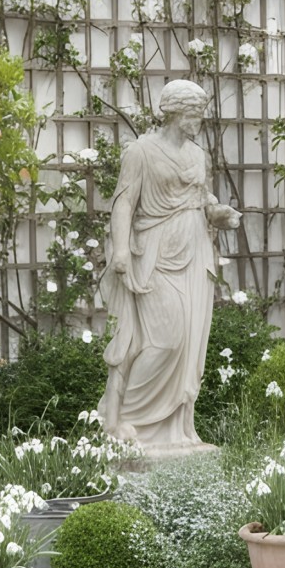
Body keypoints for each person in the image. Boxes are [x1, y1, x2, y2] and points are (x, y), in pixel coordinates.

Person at [99, 80, 238, 452]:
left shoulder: (197, 155)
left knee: (190, 341)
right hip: (155, 254)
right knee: (164, 339)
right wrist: (121, 250)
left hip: (194, 251)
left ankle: (175, 430)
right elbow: (124, 202)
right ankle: (126, 419)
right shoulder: (141, 151)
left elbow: (198, 195)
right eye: (195, 113)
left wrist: (216, 211)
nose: (200, 120)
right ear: (175, 111)